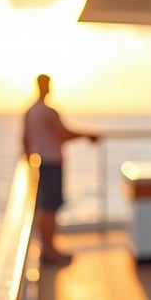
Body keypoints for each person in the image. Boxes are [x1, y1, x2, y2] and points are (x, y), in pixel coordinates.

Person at [22, 73, 98, 265]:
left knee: (45, 207)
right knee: (50, 208)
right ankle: (49, 251)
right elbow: (62, 134)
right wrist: (87, 135)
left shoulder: (30, 111)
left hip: (40, 163)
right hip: (51, 163)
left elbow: (25, 139)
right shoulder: (47, 111)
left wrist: (29, 160)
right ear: (45, 86)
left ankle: (48, 249)